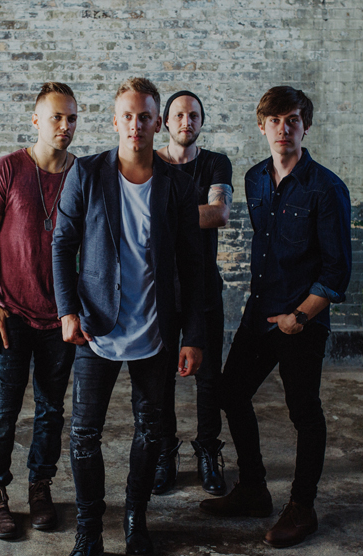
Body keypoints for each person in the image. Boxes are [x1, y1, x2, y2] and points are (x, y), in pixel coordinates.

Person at [52, 77, 205, 556]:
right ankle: (89, 535)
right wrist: (67, 310)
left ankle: (136, 518)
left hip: (155, 332)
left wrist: (194, 335)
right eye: (127, 117)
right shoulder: (87, 173)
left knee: (151, 430)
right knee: (84, 433)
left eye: (145, 117)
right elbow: (62, 243)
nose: (136, 125)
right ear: (114, 121)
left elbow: (192, 263)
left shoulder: (176, 183)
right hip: (96, 326)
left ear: (157, 122)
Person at [199, 86, 352, 549]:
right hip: (260, 314)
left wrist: (299, 318)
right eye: (275, 121)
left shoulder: (326, 187)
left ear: (306, 126)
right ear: (262, 126)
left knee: (304, 411)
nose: (283, 129)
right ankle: (253, 488)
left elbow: (336, 272)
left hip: (302, 321)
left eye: (293, 120)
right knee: (230, 392)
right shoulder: (254, 179)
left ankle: (302, 507)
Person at [0, 82, 78, 541]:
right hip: (10, 312)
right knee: (4, 411)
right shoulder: (7, 169)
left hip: (61, 317)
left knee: (52, 410)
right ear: (36, 119)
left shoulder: (83, 174)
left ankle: (40, 487)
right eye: (56, 117)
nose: (65, 126)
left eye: (72, 118)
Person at [152, 91, 233, 496]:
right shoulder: (150, 165)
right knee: (160, 374)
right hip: (160, 288)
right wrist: (190, 212)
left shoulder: (216, 163)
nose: (187, 121)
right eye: (179, 115)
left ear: (202, 121)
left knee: (209, 376)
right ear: (166, 121)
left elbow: (219, 213)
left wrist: (166, 215)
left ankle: (207, 451)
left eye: (194, 115)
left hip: (203, 285)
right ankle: (166, 452)